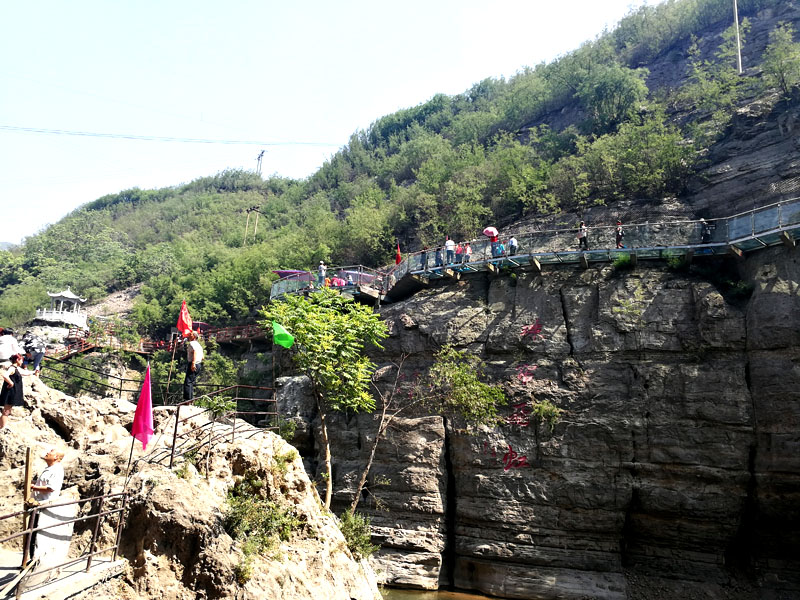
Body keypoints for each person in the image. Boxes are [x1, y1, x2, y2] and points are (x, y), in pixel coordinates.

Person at [1, 354, 34, 430]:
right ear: (17, 360)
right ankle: (3, 427)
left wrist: (33, 372)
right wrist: (11, 383)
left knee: (7, 410)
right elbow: (5, 375)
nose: (22, 362)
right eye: (21, 360)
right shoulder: (12, 368)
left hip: (12, 392)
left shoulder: (16, 368)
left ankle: (2, 426)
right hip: (10, 392)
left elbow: (24, 373)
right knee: (6, 411)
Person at [183, 331, 204, 401]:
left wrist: (193, 363)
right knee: (191, 382)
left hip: (193, 363)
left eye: (191, 334)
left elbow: (195, 351)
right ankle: (191, 399)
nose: (189, 335)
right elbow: (202, 357)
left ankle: (188, 400)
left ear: (194, 336)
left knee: (188, 382)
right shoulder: (199, 345)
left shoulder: (192, 343)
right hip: (199, 364)